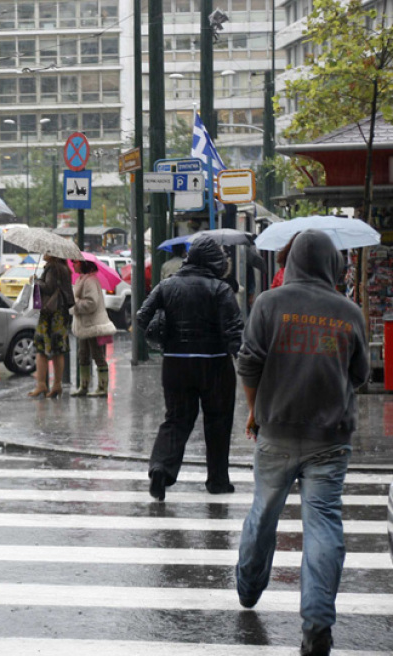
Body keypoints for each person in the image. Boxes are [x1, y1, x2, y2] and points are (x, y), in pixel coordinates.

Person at [235, 230, 369, 656]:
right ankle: (316, 626)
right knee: (324, 525)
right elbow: (361, 376)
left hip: (274, 431)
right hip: (330, 438)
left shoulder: (268, 305)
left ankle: (250, 585)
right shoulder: (349, 312)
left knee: (264, 513)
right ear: (334, 265)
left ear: (290, 262)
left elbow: (249, 363)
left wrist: (255, 412)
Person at [136, 236, 243, 501]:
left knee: (176, 419)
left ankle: (161, 468)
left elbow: (141, 317)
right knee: (218, 422)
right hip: (215, 363)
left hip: (175, 362)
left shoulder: (167, 285)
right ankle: (217, 481)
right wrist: (243, 358)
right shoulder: (220, 289)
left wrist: (162, 334)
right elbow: (233, 331)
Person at [69, 259, 116, 397]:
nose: (73, 264)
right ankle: (84, 386)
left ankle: (102, 387)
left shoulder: (90, 281)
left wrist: (75, 304)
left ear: (83, 264)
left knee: (97, 355)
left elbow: (91, 303)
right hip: (84, 325)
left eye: (75, 262)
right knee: (83, 355)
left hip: (92, 325)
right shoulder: (81, 280)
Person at [28, 254, 73, 398]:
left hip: (50, 313)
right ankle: (57, 384)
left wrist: (36, 281)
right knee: (58, 349)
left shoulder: (54, 268)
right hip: (60, 313)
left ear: (53, 254)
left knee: (41, 348)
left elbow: (49, 287)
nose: (44, 253)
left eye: (47, 251)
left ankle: (41, 384)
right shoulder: (63, 268)